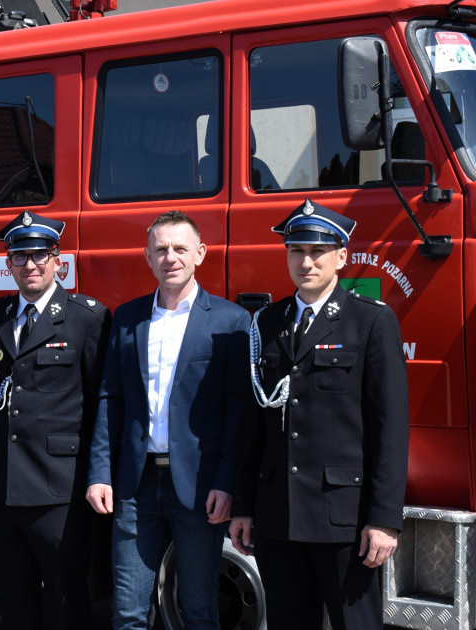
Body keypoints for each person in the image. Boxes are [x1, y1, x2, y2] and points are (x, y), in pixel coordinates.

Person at [229, 199, 409, 630]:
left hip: (343, 517)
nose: (306, 262)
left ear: (341, 257)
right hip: (279, 517)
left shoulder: (370, 322)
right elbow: (253, 424)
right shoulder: (267, 324)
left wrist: (384, 520)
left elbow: (390, 427)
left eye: (317, 251)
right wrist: (244, 505)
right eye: (297, 251)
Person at [85, 210, 250, 629]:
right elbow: (110, 399)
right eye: (160, 249)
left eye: (180, 248)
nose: (170, 257)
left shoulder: (231, 322)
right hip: (135, 486)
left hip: (198, 487)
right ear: (147, 256)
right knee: (128, 613)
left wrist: (227, 483)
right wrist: (99, 473)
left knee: (198, 610)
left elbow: (238, 413)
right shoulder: (127, 318)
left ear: (201, 253)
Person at [0, 210, 111, 630]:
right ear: (7, 264)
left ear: (58, 261)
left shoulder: (87, 317)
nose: (30, 265)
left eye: (40, 255)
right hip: (0, 488)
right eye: (19, 256)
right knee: (9, 604)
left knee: (68, 601)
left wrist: (98, 474)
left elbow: (101, 403)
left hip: (59, 490)